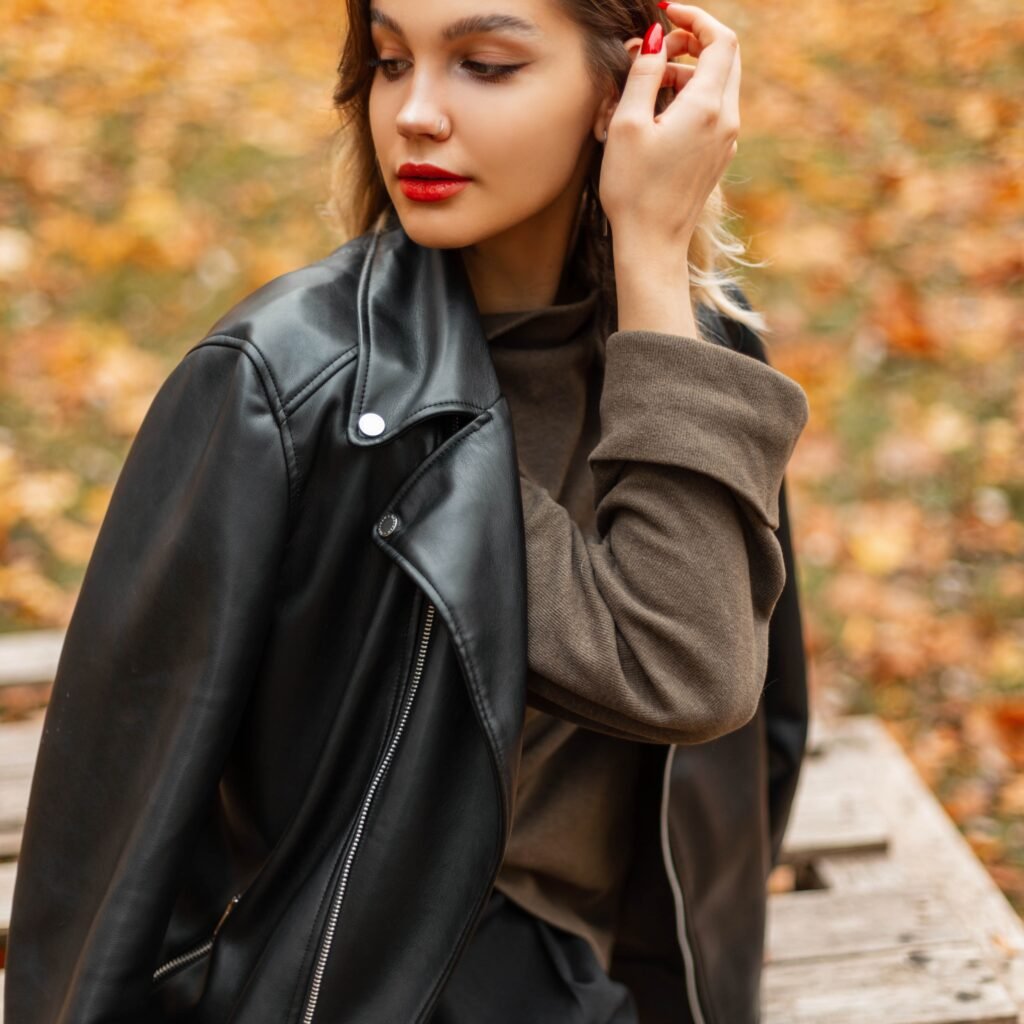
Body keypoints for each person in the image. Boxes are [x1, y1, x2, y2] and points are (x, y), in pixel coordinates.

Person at [5, 1, 810, 1022]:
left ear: (627, 90)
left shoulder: (697, 365)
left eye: (482, 64)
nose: (415, 113)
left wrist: (656, 265)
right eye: (389, 61)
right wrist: (652, 246)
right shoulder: (300, 395)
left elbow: (754, 723)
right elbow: (110, 829)